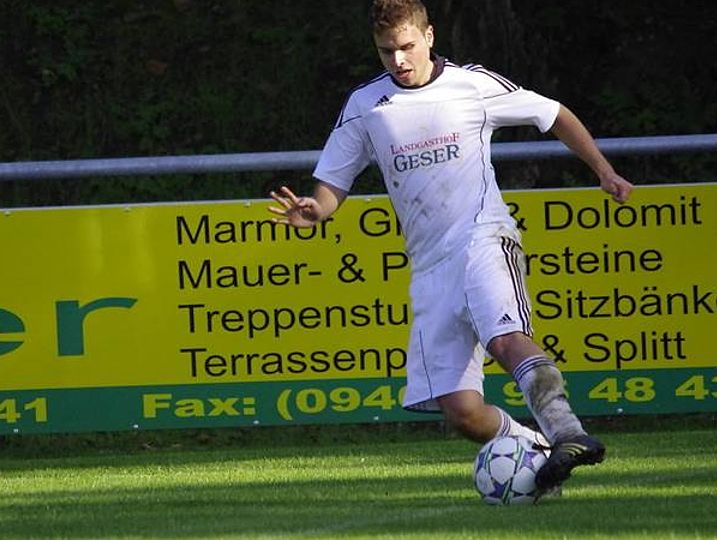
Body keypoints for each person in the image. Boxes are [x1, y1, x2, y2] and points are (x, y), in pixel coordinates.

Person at [268, 0, 633, 496]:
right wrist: (318, 210)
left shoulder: (472, 85)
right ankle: (541, 450)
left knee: (505, 339)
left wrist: (604, 171)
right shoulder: (366, 105)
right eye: (386, 51)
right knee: (461, 413)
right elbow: (334, 179)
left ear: (429, 36)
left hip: (483, 238)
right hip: (430, 267)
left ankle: (567, 431)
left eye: (406, 46)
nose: (398, 59)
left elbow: (554, 115)